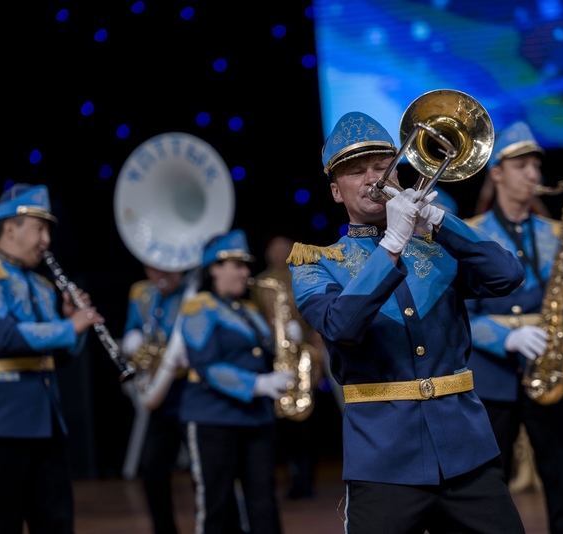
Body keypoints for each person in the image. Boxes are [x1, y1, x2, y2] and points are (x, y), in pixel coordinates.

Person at [287, 111, 527, 533]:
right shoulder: (317, 263)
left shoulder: (437, 250)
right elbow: (341, 326)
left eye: (382, 167)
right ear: (335, 192)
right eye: (356, 171)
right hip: (384, 462)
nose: (372, 179)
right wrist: (393, 244)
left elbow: (507, 275)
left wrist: (438, 221)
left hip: (467, 453)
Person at [462, 121, 563, 534]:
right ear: (496, 172)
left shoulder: (556, 233)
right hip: (494, 377)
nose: (533, 174)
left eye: (536, 165)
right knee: (488, 487)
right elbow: (461, 314)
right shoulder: (471, 232)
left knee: (562, 483)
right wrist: (507, 337)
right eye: (521, 165)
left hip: (548, 368)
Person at [0, 183, 104, 534]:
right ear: (9, 228)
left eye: (48, 230)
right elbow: (4, 338)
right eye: (39, 228)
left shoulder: (43, 287)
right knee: (0, 526)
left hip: (45, 427)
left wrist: (74, 329)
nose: (46, 240)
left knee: (56, 525)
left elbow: (57, 358)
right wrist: (70, 326)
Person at [168, 229, 290, 534]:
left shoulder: (248, 309)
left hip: (256, 419)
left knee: (263, 503)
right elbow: (206, 364)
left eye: (245, 265)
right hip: (213, 417)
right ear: (213, 269)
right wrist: (257, 384)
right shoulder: (198, 306)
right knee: (216, 505)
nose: (245, 272)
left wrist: (287, 337)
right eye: (237, 265)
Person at [121, 263, 197, 534]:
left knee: (201, 470)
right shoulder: (142, 292)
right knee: (152, 468)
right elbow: (133, 324)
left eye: (164, 270)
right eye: (151, 270)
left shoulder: (194, 292)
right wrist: (132, 337)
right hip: (160, 390)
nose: (157, 277)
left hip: (189, 387)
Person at [250, 234, 327, 499]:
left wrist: (316, 361)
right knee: (280, 427)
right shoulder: (259, 282)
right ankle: (288, 477)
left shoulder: (304, 277)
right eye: (276, 247)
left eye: (285, 247)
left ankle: (306, 478)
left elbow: (317, 324)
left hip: (301, 355)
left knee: (306, 425)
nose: (280, 251)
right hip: (273, 358)